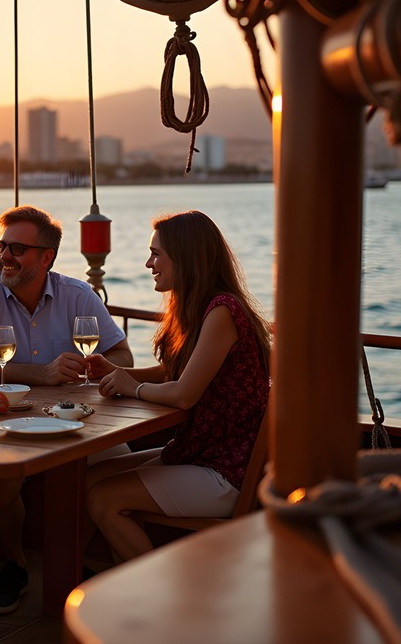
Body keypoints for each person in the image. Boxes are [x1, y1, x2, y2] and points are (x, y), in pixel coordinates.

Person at [0, 204, 133, 614]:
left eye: (17, 248)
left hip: (77, 421)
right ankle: (16, 562)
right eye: (2, 246)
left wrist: (98, 365)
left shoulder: (77, 294)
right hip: (8, 420)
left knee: (123, 468)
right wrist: (44, 373)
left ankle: (67, 566)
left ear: (46, 257)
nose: (5, 256)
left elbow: (122, 353)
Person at [83, 210, 271, 563]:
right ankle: (100, 578)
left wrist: (131, 388)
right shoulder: (197, 308)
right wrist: (118, 372)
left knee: (103, 499)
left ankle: (151, 600)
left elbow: (185, 393)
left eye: (157, 254)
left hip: (224, 470)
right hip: (197, 451)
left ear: (185, 258)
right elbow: (173, 372)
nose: (148, 263)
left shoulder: (223, 312)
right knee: (92, 477)